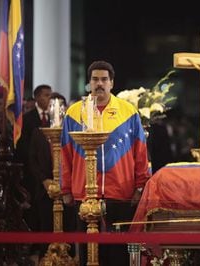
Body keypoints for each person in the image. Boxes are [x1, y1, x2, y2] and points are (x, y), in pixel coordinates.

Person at [61, 60, 150, 266]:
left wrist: (140, 186)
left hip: (120, 194)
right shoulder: (74, 113)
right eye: (95, 79)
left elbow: (141, 153)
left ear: (112, 83)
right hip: (84, 195)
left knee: (118, 255)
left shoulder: (128, 112)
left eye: (103, 79)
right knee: (87, 254)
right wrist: (66, 188)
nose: (99, 83)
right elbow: (64, 154)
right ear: (89, 83)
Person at [27, 92, 76, 259]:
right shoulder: (39, 132)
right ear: (49, 109)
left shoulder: (73, 133)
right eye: (54, 106)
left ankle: (68, 259)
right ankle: (46, 259)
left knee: (69, 227)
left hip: (68, 189)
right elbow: (32, 160)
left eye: (61, 106)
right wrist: (44, 180)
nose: (58, 110)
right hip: (45, 189)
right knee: (46, 228)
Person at [14, 84, 52, 259]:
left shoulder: (54, 117)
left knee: (47, 215)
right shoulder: (27, 118)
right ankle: (34, 246)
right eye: (45, 95)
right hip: (32, 174)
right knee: (34, 212)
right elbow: (25, 149)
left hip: (50, 175)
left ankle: (48, 248)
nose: (49, 99)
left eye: (50, 95)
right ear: (37, 97)